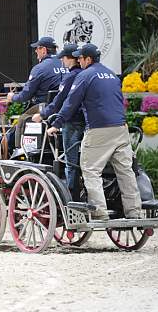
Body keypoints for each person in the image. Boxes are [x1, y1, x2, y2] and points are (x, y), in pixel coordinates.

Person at [47, 43, 142, 220]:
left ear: (88, 59)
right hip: (121, 129)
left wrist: (57, 123)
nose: (79, 61)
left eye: (81, 58)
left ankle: (99, 211)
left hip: (99, 130)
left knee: (90, 169)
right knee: (125, 172)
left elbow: (70, 103)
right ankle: (134, 212)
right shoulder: (112, 75)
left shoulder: (85, 76)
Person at [32, 43, 85, 202]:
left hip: (73, 122)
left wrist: (42, 115)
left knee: (71, 162)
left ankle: (70, 198)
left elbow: (60, 101)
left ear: (71, 59)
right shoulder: (84, 74)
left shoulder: (71, 76)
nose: (61, 60)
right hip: (87, 121)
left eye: (64, 58)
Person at [6, 36, 65, 148]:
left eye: (37, 48)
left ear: (44, 50)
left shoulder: (39, 68)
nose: (35, 51)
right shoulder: (66, 64)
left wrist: (12, 97)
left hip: (45, 106)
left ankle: (17, 148)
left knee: (22, 119)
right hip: (64, 107)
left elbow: (25, 95)